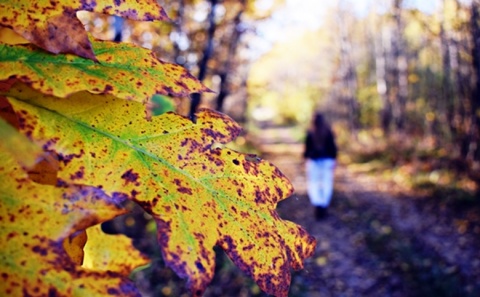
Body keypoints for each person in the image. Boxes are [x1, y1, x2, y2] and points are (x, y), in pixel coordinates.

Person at [303, 112, 337, 220]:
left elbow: (306, 151)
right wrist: (334, 159)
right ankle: (324, 205)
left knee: (314, 184)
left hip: (314, 162)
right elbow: (333, 148)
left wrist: (308, 157)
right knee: (326, 184)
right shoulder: (328, 132)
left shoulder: (310, 133)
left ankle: (317, 205)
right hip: (327, 161)